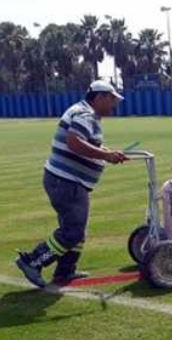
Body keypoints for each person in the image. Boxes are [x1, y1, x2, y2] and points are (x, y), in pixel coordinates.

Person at [15, 80, 129, 288]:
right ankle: (32, 261)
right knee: (73, 231)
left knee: (76, 229)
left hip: (67, 181)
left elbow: (90, 143)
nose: (114, 105)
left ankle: (65, 271)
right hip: (66, 181)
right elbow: (74, 142)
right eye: (112, 100)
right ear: (100, 97)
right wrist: (106, 155)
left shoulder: (85, 113)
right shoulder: (85, 114)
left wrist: (109, 152)